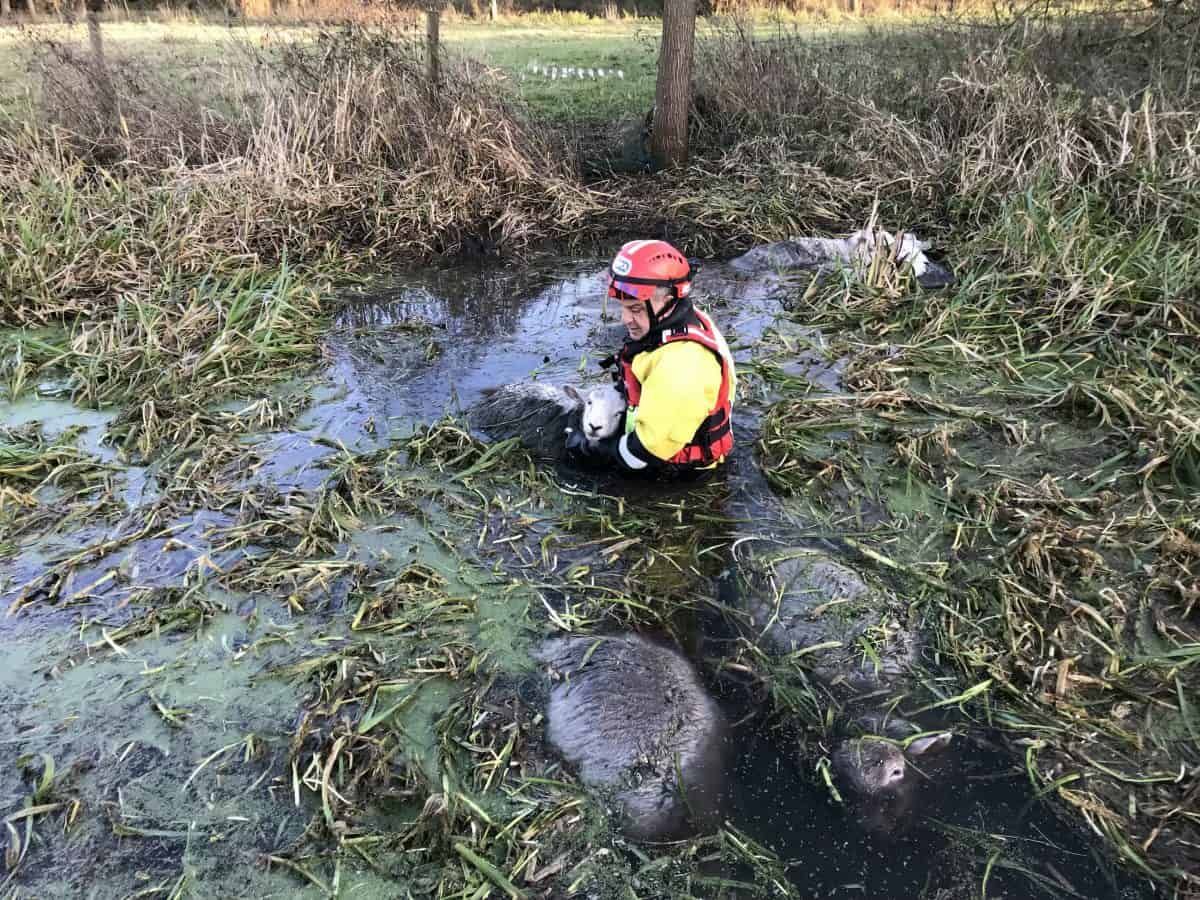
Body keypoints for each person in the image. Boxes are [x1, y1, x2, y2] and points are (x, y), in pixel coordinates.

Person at [567, 239, 736, 477]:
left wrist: (593, 449)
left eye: (635, 309)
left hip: (676, 471)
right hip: (662, 430)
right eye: (623, 307)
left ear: (666, 302)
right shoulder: (683, 319)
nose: (625, 319)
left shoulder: (683, 364)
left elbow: (643, 454)